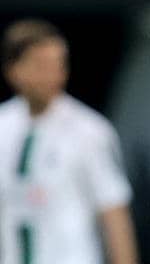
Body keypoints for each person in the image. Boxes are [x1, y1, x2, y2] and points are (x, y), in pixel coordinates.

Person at [0, 20, 139, 264]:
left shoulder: (89, 131)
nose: (54, 75)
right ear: (14, 70)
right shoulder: (4, 124)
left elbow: (114, 213)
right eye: (41, 66)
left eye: (59, 65)